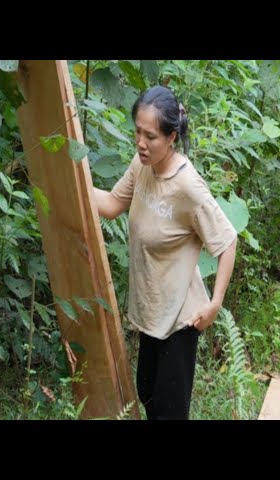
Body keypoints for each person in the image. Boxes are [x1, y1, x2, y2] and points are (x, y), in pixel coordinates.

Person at [93, 85, 237, 420]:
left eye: (151, 136)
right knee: (147, 393)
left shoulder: (187, 186)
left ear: (172, 137)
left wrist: (215, 303)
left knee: (168, 413)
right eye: (138, 132)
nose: (141, 143)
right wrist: (72, 181)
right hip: (151, 311)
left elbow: (227, 241)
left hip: (181, 320)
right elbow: (113, 204)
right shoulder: (142, 164)